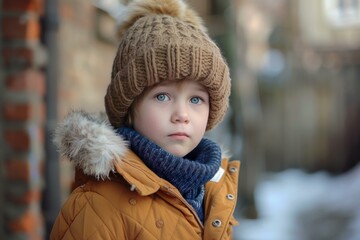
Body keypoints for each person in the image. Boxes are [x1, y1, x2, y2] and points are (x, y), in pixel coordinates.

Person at [50, 0, 240, 239]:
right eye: (162, 96)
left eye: (195, 100)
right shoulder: (97, 206)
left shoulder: (214, 189)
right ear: (130, 107)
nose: (182, 115)